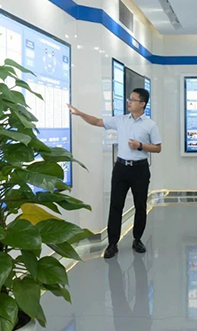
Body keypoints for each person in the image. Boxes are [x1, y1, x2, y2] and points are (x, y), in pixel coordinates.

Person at [67, 88, 161, 259]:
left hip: (140, 170)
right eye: (129, 99)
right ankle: (112, 244)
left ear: (142, 104)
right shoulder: (120, 120)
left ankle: (137, 239)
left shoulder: (150, 125)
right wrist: (80, 114)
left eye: (133, 100)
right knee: (116, 205)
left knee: (140, 206)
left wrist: (140, 146)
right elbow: (97, 121)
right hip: (121, 168)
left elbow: (157, 148)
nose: (129, 102)